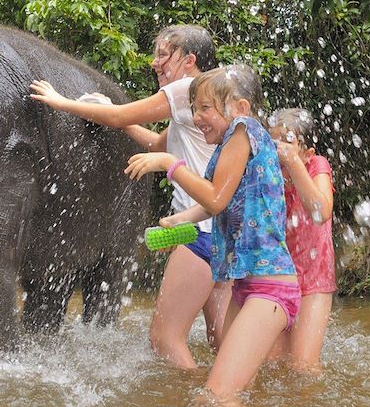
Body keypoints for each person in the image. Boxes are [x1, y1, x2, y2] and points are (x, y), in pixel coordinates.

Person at [29, 24, 230, 369]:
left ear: (189, 61)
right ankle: (241, 392)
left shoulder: (185, 89)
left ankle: (205, 400)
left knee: (164, 339)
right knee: (220, 338)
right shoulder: (199, 105)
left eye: (164, 54)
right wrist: (116, 116)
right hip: (222, 228)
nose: (155, 63)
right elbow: (153, 143)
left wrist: (60, 102)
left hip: (202, 231)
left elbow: (123, 114)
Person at [124, 64, 300, 407]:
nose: (197, 116)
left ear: (241, 107)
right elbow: (217, 203)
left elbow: (215, 196)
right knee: (236, 393)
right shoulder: (230, 145)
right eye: (194, 108)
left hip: (270, 288)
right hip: (247, 285)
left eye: (205, 108)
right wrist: (181, 218)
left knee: (217, 399)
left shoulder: (243, 130)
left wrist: (171, 164)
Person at [267, 108, 335, 372]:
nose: (280, 151)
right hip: (277, 275)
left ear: (307, 153)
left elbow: (321, 211)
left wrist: (294, 164)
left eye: (288, 142)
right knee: (270, 364)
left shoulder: (316, 166)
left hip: (314, 278)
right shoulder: (268, 172)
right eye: (275, 142)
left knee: (302, 366)